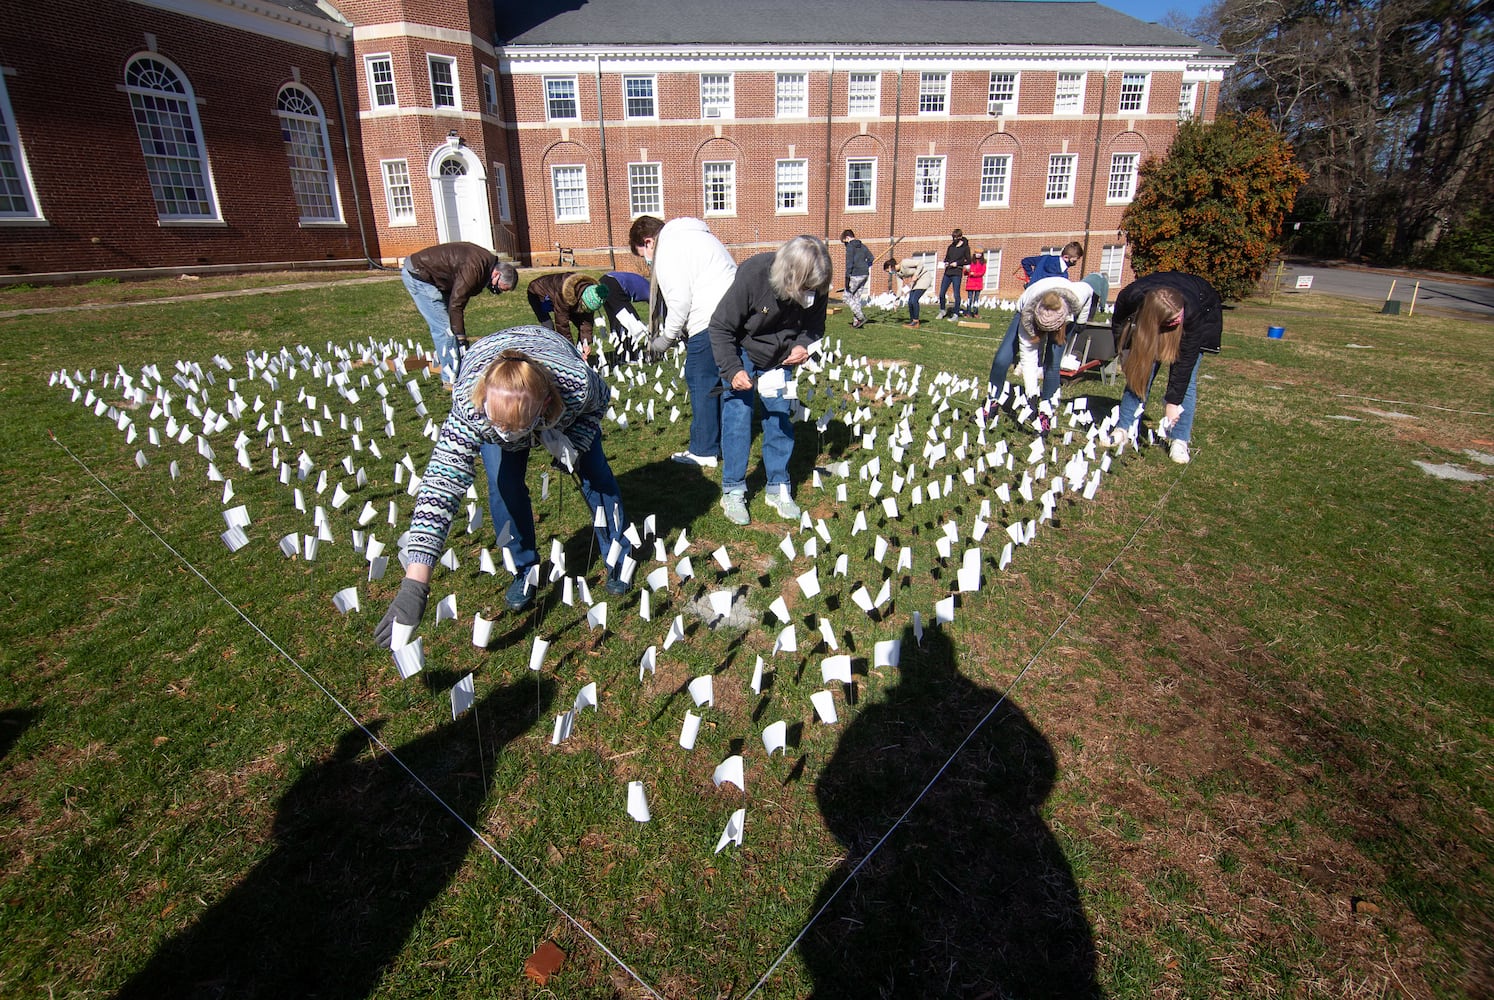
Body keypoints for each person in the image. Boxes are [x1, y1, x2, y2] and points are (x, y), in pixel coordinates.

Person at [373, 325, 630, 643]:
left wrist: (575, 441)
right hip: (497, 373)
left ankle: (618, 554)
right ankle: (524, 569)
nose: (509, 436)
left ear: (545, 403)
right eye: (499, 427)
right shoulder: (470, 408)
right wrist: (416, 581)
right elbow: (441, 484)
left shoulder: (576, 383)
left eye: (517, 429)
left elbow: (600, 404)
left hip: (556, 378)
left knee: (597, 476)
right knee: (503, 486)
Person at [708, 235, 830, 525]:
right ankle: (733, 490)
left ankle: (777, 487)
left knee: (779, 417)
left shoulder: (817, 280)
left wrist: (802, 345)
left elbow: (814, 327)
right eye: (806, 289)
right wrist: (733, 370)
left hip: (781, 357)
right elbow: (721, 327)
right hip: (743, 350)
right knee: (738, 416)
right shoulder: (754, 274)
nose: (811, 294)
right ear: (790, 277)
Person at [628, 214, 738, 469]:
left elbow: (680, 302)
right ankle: (721, 441)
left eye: (642, 253)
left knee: (700, 379)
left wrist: (665, 340)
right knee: (722, 380)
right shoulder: (697, 235)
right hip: (732, 313)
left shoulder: (668, 249)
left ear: (648, 242)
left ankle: (703, 450)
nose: (647, 261)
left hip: (709, 319)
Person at [1098, 271, 1223, 464]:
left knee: (1186, 382)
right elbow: (1118, 325)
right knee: (1141, 373)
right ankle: (1124, 427)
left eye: (1176, 319)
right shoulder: (1130, 297)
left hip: (1203, 312)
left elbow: (1184, 366)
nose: (1176, 322)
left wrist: (1173, 403)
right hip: (1150, 320)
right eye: (1171, 321)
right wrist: (1124, 353)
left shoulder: (1191, 313)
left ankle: (1179, 439)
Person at [980, 275, 1094, 434]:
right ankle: (992, 403)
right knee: (1002, 358)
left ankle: (1045, 412)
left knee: (1052, 363)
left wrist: (1081, 321)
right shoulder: (1028, 314)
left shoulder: (1078, 295)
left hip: (1065, 320)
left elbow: (1090, 289)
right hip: (1029, 308)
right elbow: (1028, 358)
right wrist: (1031, 393)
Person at [400, 242, 517, 389]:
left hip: (434, 278)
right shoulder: (475, 269)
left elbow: (458, 299)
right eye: (500, 288)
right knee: (445, 330)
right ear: (496, 274)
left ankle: (458, 367)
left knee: (451, 327)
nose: (497, 291)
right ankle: (450, 379)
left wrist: (460, 335)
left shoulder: (484, 265)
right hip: (420, 276)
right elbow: (456, 304)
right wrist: (461, 338)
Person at [524, 271, 607, 359]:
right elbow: (562, 325)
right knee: (549, 327)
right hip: (537, 293)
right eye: (584, 307)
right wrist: (571, 351)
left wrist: (585, 344)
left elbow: (586, 322)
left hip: (562, 300)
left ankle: (578, 354)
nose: (585, 311)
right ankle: (550, 357)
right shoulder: (564, 292)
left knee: (580, 323)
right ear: (581, 300)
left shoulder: (591, 293)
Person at [839, 229, 875, 329]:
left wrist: (847, 278)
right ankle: (857, 322)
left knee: (846, 297)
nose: (845, 245)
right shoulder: (863, 246)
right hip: (865, 274)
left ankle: (861, 317)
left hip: (855, 275)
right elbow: (871, 258)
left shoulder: (850, 247)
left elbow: (849, 263)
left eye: (844, 242)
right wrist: (865, 265)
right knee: (856, 298)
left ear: (847, 238)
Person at [884, 256, 934, 327]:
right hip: (916, 282)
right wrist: (896, 301)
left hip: (924, 277)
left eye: (888, 271)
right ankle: (912, 321)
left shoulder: (904, 263)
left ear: (890, 267)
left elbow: (920, 263)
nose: (889, 273)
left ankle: (916, 322)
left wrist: (916, 275)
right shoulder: (898, 274)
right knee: (910, 301)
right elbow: (899, 288)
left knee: (914, 300)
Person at [938, 228, 971, 319]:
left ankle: (956, 313)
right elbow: (947, 258)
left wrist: (957, 263)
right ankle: (942, 310)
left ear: (960, 237)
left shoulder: (965, 248)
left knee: (956, 294)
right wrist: (946, 262)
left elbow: (968, 261)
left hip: (957, 272)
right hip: (948, 272)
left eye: (956, 237)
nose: (954, 239)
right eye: (953, 237)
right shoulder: (951, 247)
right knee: (941, 293)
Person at [964, 250, 988, 316]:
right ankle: (968, 312)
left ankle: (975, 312)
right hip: (970, 283)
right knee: (970, 298)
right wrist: (966, 270)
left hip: (978, 283)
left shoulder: (983, 262)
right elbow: (965, 273)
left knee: (976, 299)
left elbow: (982, 272)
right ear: (974, 253)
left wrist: (974, 274)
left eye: (980, 253)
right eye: (977, 253)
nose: (978, 254)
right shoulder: (970, 261)